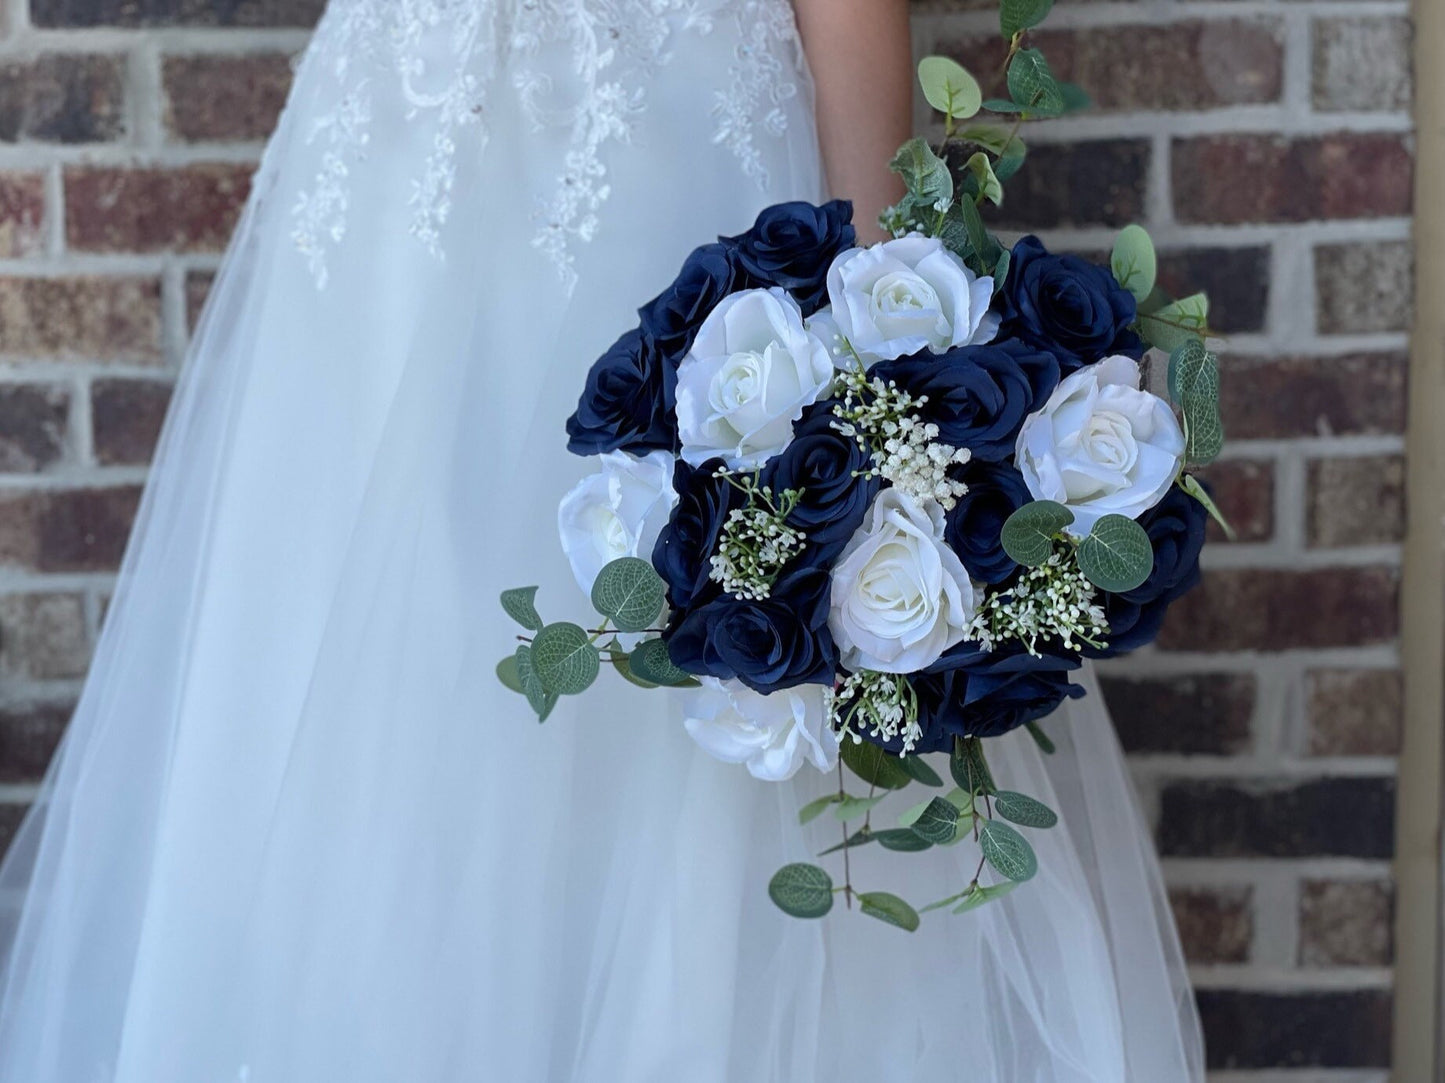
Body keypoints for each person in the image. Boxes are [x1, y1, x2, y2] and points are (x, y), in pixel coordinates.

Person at [0, 1, 1204, 1079]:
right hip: (398, 180)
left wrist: (879, 330)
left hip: (669, 165)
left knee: (684, 711)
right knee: (387, 692)